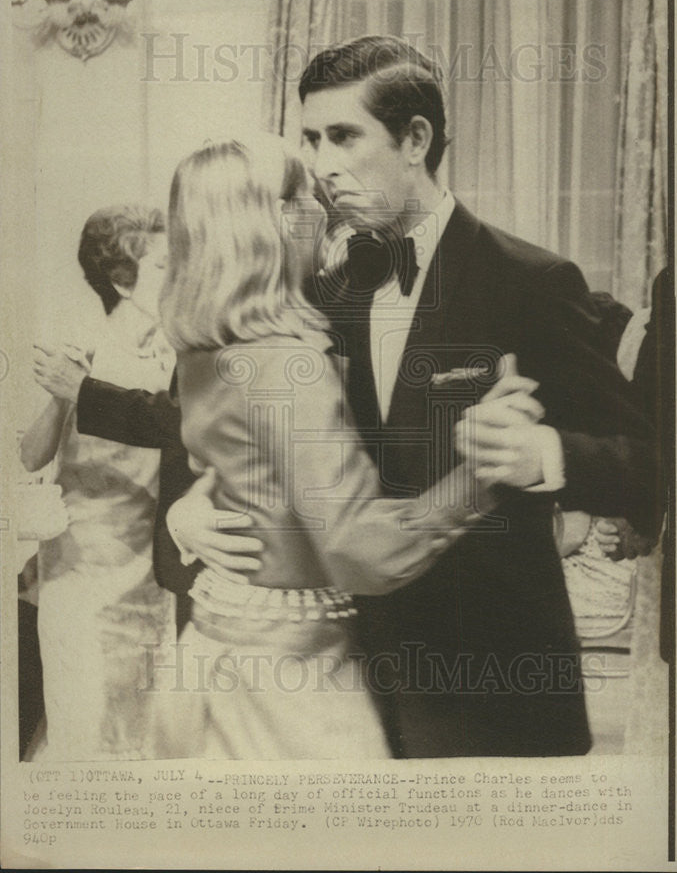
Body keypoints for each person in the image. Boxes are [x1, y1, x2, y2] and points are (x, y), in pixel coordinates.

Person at [34, 35, 656, 758]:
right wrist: (188, 510)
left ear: (415, 139)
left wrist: (545, 453)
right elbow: (216, 425)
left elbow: (648, 465)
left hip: (488, 690)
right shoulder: (315, 295)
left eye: (343, 137)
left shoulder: (530, 282)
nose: (324, 167)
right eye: (310, 140)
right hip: (339, 681)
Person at [147, 134, 516, 759]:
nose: (323, 205)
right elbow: (360, 550)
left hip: (213, 644)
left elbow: (235, 469)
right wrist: (484, 472)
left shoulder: (204, 350)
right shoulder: (286, 364)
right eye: (302, 194)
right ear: (263, 225)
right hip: (293, 678)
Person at [21, 205, 175, 761]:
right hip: (83, 574)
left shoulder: (174, 354)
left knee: (142, 736)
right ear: (120, 280)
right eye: (162, 265)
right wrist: (64, 393)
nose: (177, 274)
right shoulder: (82, 348)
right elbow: (31, 456)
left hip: (150, 578)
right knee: (85, 732)